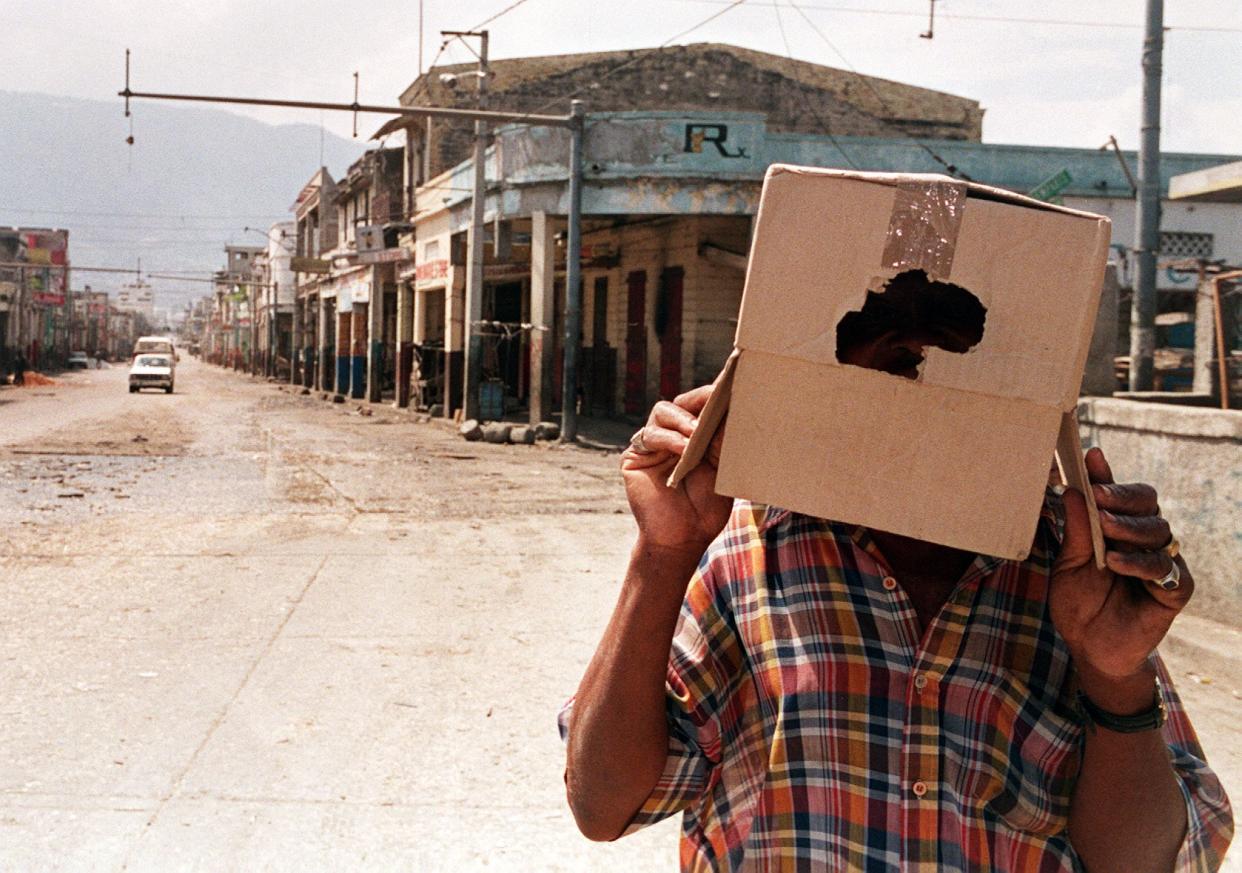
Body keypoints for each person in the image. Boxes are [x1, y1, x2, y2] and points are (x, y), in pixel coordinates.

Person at [559, 284, 1233, 872]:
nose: (921, 381)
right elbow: (603, 803)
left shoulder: (1076, 573)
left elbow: (1145, 861)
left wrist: (1114, 676)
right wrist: (663, 552)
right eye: (894, 356)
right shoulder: (751, 549)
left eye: (948, 346)